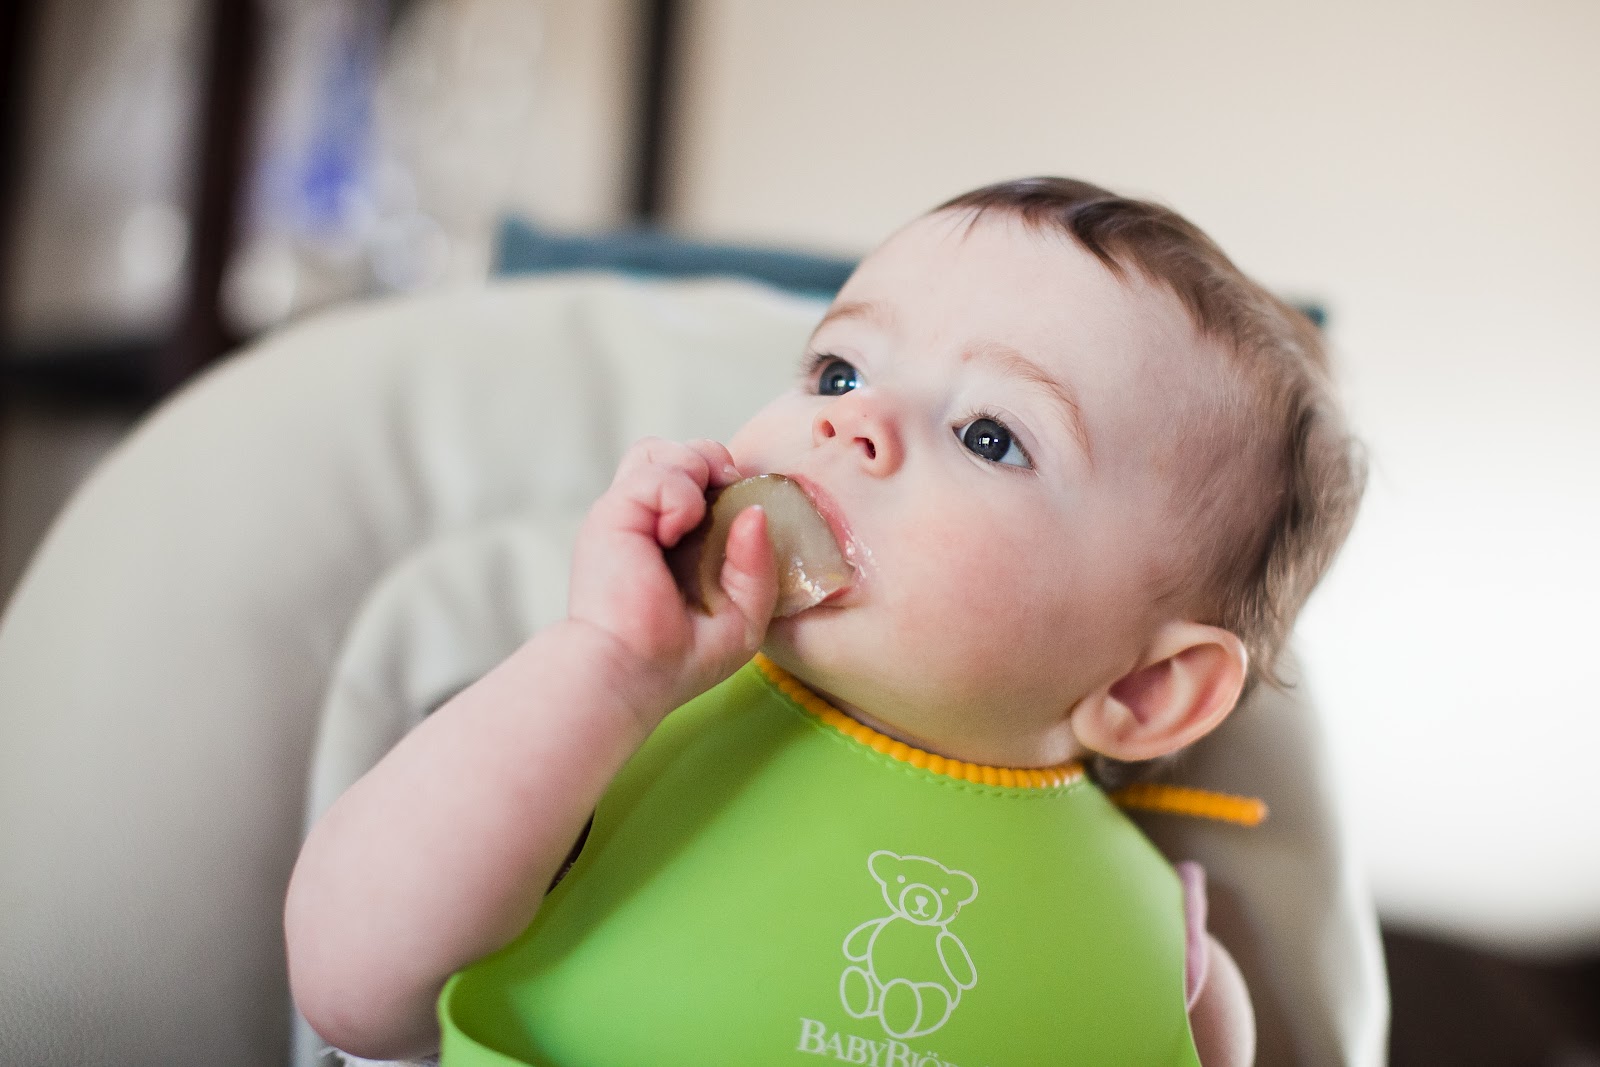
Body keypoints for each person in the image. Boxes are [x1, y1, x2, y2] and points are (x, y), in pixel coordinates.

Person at [284, 177, 1364, 1067]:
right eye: (838, 370)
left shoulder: (1175, 983)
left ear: (1145, 691)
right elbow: (348, 987)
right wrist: (605, 664)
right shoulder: (591, 739)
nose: (851, 423)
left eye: (989, 434)